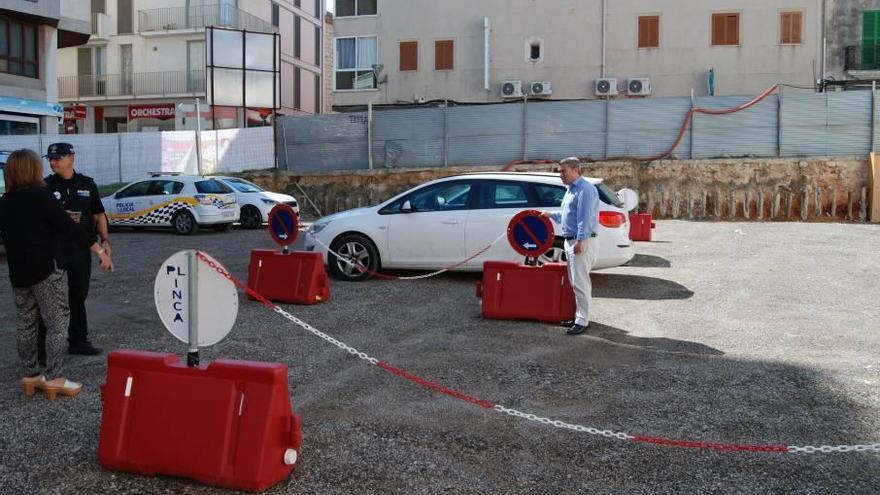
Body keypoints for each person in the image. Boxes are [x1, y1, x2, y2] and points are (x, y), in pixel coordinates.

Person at [0, 149, 113, 399]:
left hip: (19, 273)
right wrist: (99, 250)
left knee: (26, 323)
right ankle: (55, 377)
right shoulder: (42, 196)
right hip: (46, 270)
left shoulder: (5, 202)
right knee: (57, 323)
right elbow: (69, 228)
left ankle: (31, 375)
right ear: (32, 169)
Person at [41, 142, 111, 355]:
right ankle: (45, 347)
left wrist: (105, 241)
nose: (53, 163)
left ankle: (78, 340)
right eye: (50, 159)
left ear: (71, 158)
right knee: (51, 297)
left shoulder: (87, 184)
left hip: (82, 250)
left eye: (58, 158)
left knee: (78, 294)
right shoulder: (45, 186)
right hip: (55, 250)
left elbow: (99, 214)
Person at [541, 157, 600, 335]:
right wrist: (550, 215)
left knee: (580, 283)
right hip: (570, 239)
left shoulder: (585, 189)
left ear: (576, 170)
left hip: (579, 240)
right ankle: (578, 317)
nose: (560, 174)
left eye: (563, 171)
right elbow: (568, 216)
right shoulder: (571, 190)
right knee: (575, 282)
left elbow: (585, 218)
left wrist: (581, 241)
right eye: (559, 171)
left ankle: (582, 321)